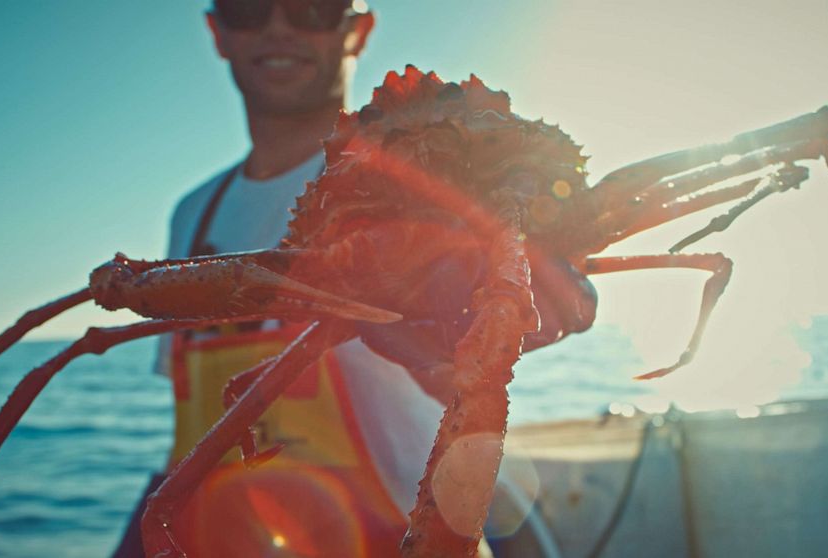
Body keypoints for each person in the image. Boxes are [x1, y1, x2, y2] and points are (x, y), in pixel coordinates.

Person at [113, 1, 597, 556]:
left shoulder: (422, 187)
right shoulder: (194, 212)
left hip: (398, 535)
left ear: (358, 29)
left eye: (312, 10)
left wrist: (499, 312)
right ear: (217, 32)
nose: (279, 28)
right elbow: (188, 421)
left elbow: (458, 364)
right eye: (248, 9)